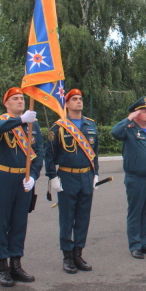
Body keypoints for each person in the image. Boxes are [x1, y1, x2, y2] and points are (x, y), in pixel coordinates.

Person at [0, 87, 43, 287]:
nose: (20, 101)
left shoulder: (33, 125)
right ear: (6, 103)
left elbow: (39, 152)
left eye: (22, 98)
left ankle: (16, 264)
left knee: (20, 222)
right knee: (2, 223)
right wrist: (20, 121)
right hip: (4, 177)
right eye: (15, 99)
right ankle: (3, 267)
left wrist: (34, 176)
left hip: (24, 179)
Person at [45, 89, 100, 273]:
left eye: (80, 99)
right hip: (67, 177)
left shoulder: (90, 125)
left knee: (83, 218)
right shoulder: (58, 127)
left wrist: (96, 173)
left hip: (86, 176)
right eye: (74, 99)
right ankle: (67, 256)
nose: (78, 102)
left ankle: (78, 254)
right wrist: (52, 177)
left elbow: (95, 153)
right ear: (66, 104)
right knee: (67, 219)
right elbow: (49, 155)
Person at [111, 96, 146, 258]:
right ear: (135, 114)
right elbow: (114, 132)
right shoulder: (128, 130)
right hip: (136, 178)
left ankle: (145, 243)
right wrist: (129, 118)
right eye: (143, 111)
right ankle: (135, 245)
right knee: (136, 212)